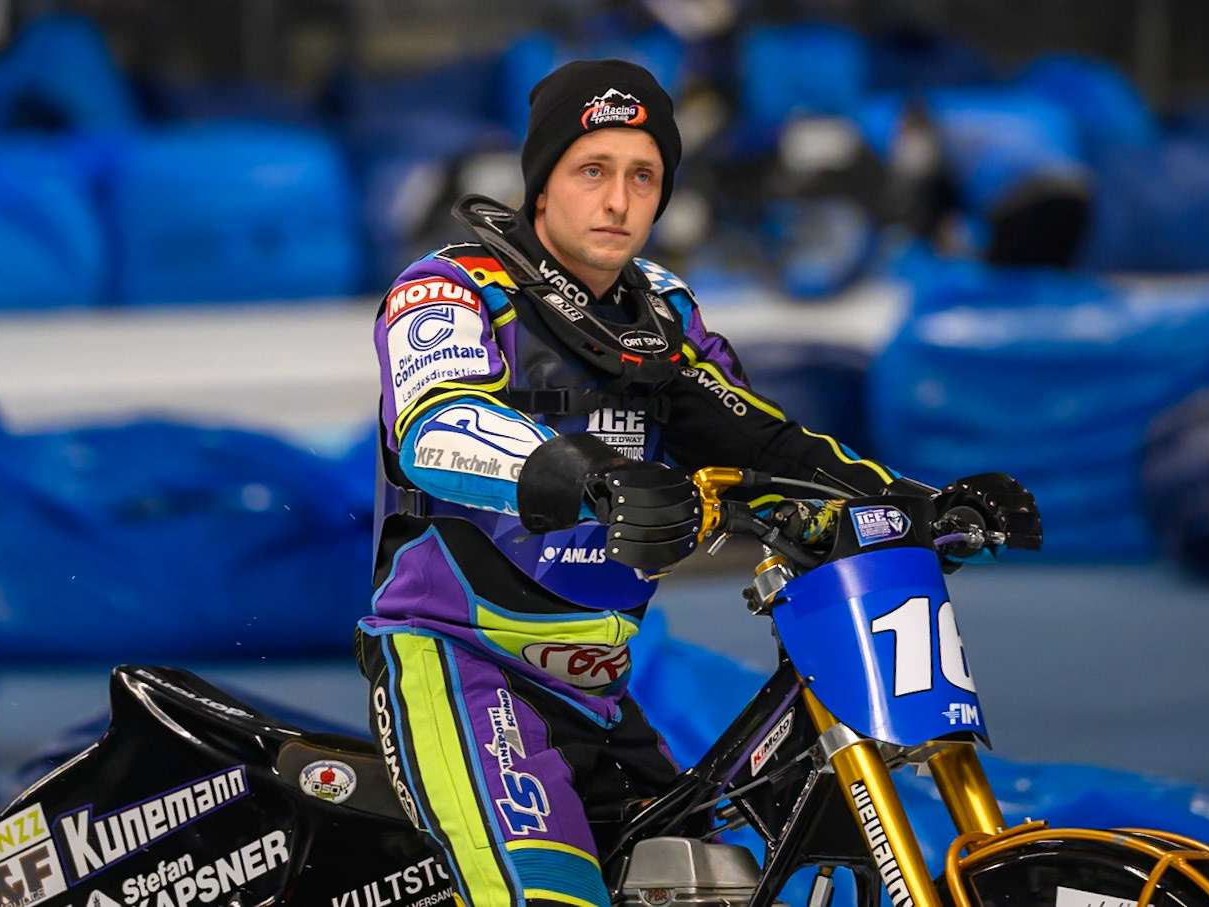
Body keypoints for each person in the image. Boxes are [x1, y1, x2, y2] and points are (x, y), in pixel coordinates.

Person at [356, 59, 1039, 907]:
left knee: (706, 889)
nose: (619, 201)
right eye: (592, 171)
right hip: (461, 668)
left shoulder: (661, 312)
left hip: (600, 689)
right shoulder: (451, 286)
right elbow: (436, 423)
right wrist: (592, 478)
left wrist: (921, 505)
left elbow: (762, 445)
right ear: (541, 182)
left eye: (643, 176)